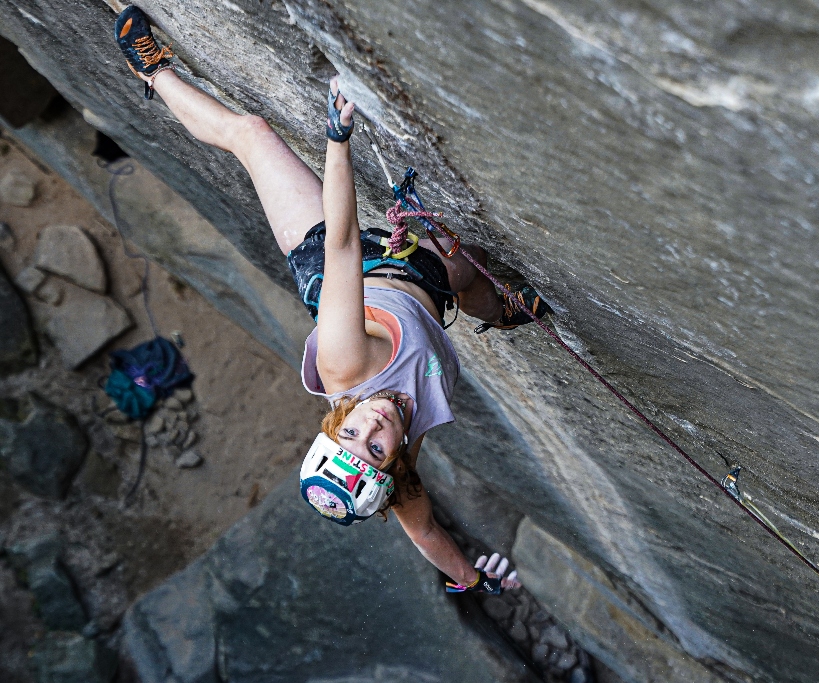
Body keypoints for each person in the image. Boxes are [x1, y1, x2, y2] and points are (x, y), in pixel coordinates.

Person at [113, 5, 551, 593]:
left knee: (252, 136)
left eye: (350, 436)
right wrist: (473, 579)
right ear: (395, 468)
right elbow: (424, 535)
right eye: (376, 447)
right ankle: (502, 312)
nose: (370, 426)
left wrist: (337, 141)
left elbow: (342, 245)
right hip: (422, 280)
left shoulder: (344, 364)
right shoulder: (406, 480)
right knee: (462, 269)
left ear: (334, 429)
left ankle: (152, 71)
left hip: (335, 263)